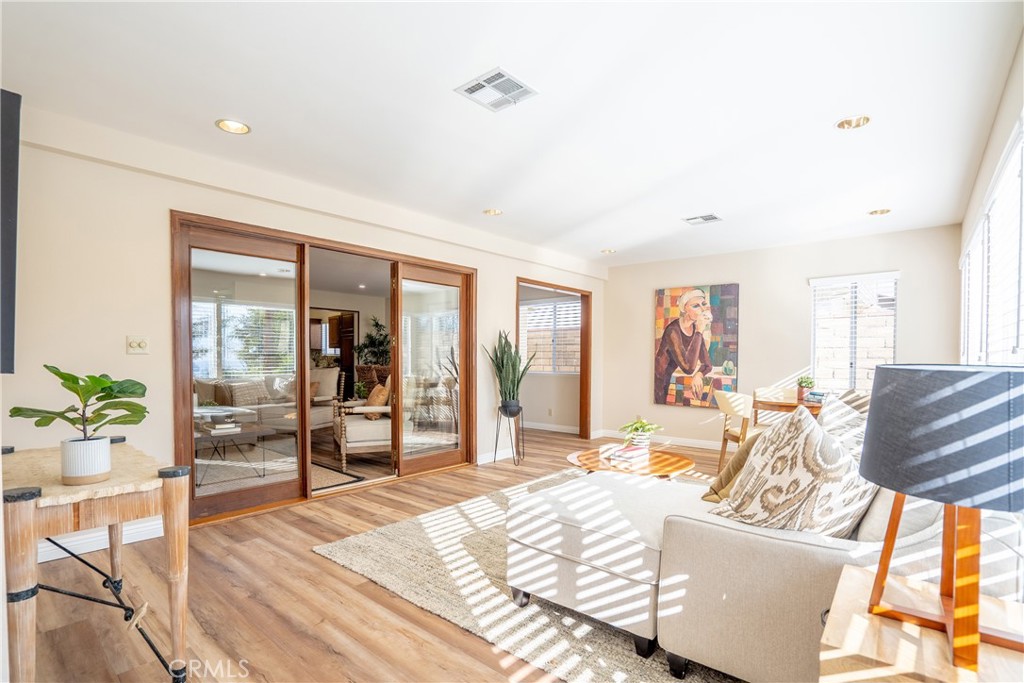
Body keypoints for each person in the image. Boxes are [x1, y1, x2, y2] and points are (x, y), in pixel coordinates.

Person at [654, 289, 713, 403]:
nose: (702, 309)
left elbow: (707, 364)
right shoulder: (673, 331)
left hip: (669, 379)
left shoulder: (695, 331)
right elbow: (688, 368)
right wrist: (700, 331)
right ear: (685, 309)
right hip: (658, 383)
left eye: (703, 304)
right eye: (696, 306)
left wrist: (699, 375)